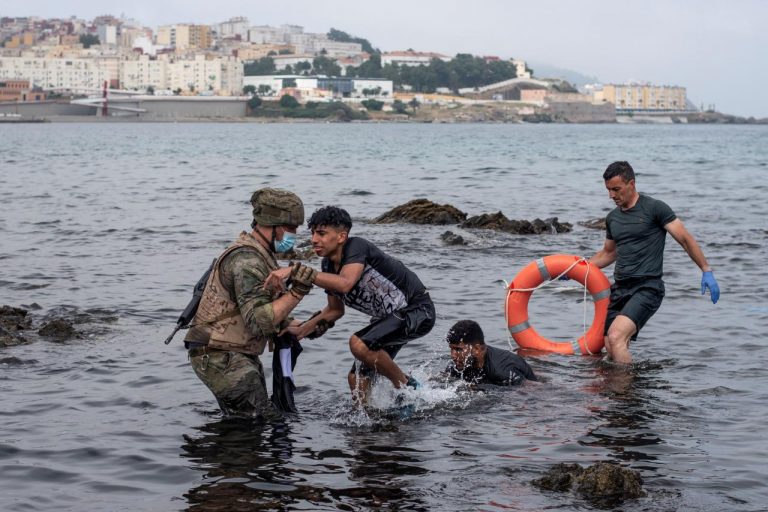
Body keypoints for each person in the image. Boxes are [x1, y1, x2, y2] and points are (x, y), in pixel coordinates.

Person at [267, 206, 435, 402]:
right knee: (356, 379)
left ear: (341, 236)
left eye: (321, 233)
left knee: (358, 344)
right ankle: (368, 424)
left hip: (417, 311)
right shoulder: (328, 266)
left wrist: (297, 271)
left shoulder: (357, 247)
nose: (314, 240)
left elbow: (346, 284)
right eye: (312, 233)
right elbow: (335, 310)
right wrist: (302, 331)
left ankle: (409, 391)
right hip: (391, 319)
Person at [183, 188, 316, 418]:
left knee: (247, 422)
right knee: (258, 422)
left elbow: (261, 310)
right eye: (291, 228)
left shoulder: (260, 253)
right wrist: (299, 291)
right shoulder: (247, 260)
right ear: (274, 224)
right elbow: (257, 322)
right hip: (220, 357)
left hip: (231, 354)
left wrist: (310, 325)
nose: (294, 234)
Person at [588, 161, 720, 364]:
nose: (611, 196)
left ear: (631, 183)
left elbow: (685, 238)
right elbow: (608, 252)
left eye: (616, 189)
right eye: (608, 190)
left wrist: (706, 270)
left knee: (616, 336)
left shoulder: (655, 208)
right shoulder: (613, 218)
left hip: (647, 288)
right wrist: (576, 268)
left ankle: (625, 394)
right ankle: (620, 390)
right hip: (621, 289)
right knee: (609, 345)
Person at [445, 320, 537, 386]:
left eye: (458, 350)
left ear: (477, 349)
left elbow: (533, 391)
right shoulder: (457, 366)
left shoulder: (501, 371)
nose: (453, 356)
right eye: (451, 349)